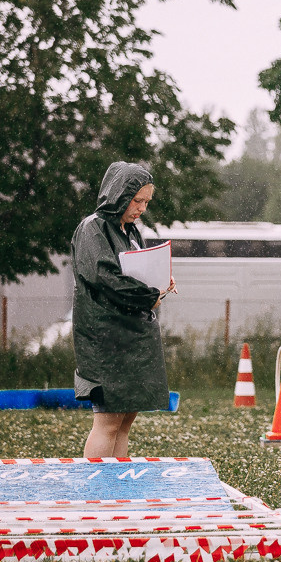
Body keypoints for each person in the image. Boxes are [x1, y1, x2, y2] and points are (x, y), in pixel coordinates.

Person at [72, 162, 176, 458]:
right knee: (108, 421)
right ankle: (96, 492)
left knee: (125, 421)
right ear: (119, 195)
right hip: (106, 339)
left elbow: (138, 276)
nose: (142, 208)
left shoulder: (130, 231)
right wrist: (149, 294)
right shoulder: (93, 229)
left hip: (133, 337)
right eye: (137, 200)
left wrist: (160, 284)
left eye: (146, 202)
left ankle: (115, 491)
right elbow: (105, 277)